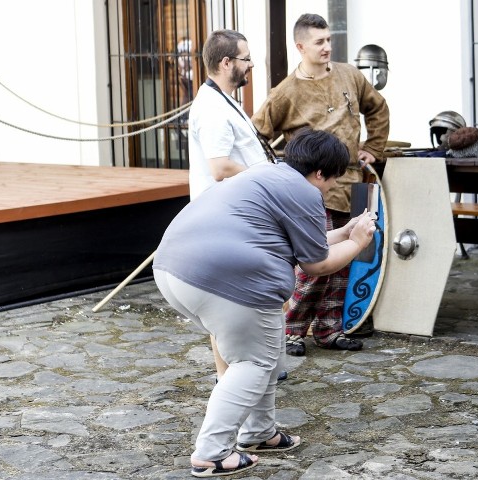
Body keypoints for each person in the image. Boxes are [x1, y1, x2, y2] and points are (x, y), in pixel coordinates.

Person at [153, 128, 378, 477]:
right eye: (333, 179)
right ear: (320, 173)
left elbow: (309, 244)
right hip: (227, 279)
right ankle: (210, 453)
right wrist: (359, 243)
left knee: (267, 354)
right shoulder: (305, 192)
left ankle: (260, 433)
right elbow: (316, 265)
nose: (332, 187)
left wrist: (348, 230)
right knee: (253, 363)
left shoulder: (267, 174)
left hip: (173, 270)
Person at [252, 13, 390, 357]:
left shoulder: (349, 75)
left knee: (347, 260)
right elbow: (257, 136)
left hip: (351, 185)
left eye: (329, 40)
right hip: (309, 192)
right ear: (300, 47)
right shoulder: (286, 92)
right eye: (319, 42)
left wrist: (372, 149)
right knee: (314, 265)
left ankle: (329, 329)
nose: (327, 47)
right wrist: (282, 177)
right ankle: (292, 331)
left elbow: (378, 109)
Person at [186, 29, 271, 382]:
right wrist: (264, 173)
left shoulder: (225, 99)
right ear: (226, 63)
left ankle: (241, 374)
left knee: (244, 300)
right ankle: (230, 380)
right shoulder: (213, 109)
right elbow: (220, 167)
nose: (250, 65)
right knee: (228, 304)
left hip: (235, 214)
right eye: (246, 58)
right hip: (224, 218)